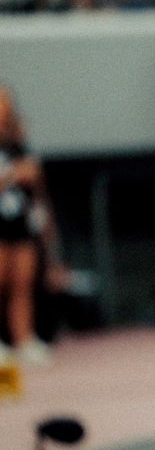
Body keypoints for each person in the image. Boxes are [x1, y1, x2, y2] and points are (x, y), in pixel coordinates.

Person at [0, 87, 64, 371]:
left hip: (20, 223)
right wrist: (14, 174)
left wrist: (45, 224)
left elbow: (35, 181)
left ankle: (24, 339)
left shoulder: (16, 142)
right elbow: (18, 174)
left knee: (22, 283)